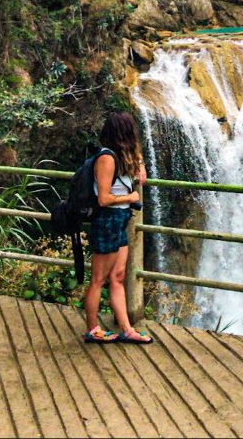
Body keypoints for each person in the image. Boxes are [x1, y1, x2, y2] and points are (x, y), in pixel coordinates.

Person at [83, 111, 153, 344]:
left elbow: (139, 171)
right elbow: (103, 198)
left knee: (119, 276)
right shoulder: (107, 159)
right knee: (98, 279)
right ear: (125, 134)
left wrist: (139, 160)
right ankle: (92, 329)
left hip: (120, 219)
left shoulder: (122, 157)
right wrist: (131, 197)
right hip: (107, 219)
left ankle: (126, 328)